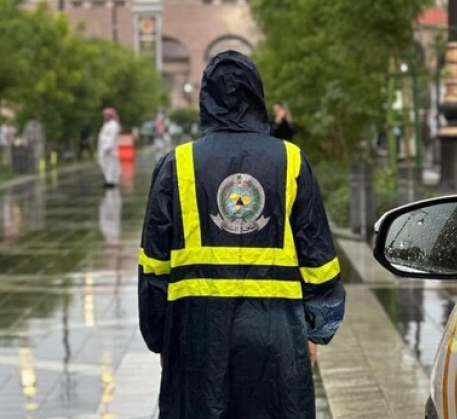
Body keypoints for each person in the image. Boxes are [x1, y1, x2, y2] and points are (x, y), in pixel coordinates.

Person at [138, 51, 345, 419]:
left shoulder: (177, 164)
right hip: (276, 334)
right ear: (257, 96)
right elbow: (319, 257)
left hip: (196, 332)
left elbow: (154, 264)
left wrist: (160, 336)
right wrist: (317, 328)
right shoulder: (291, 160)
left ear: (206, 99)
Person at [97, 108, 121, 188]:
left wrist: (108, 147)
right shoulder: (107, 124)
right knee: (105, 164)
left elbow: (112, 137)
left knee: (110, 165)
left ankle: (111, 181)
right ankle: (109, 180)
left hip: (109, 149)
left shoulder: (113, 124)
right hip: (104, 148)